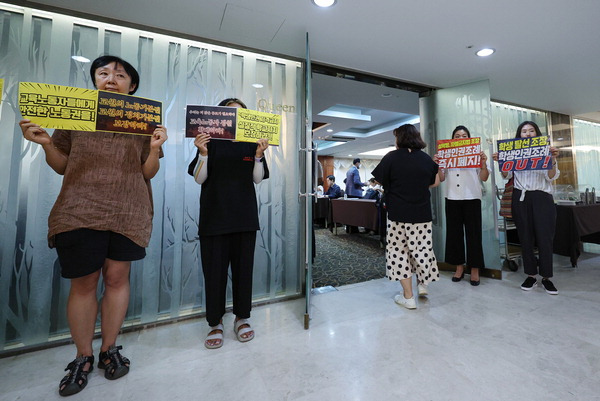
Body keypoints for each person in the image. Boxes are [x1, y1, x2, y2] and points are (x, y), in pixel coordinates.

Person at [19, 55, 168, 396]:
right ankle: (83, 356)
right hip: (78, 209)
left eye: (120, 74)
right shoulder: (76, 113)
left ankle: (109, 349)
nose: (111, 78)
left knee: (117, 279)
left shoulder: (143, 119)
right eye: (103, 73)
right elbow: (61, 165)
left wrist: (155, 149)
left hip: (128, 210)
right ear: (95, 80)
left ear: (132, 85)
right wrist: (45, 144)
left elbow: (147, 172)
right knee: (83, 284)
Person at [188, 98, 270, 349]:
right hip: (214, 218)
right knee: (214, 274)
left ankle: (242, 318)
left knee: (244, 271)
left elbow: (257, 179)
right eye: (230, 114)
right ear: (220, 117)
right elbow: (199, 179)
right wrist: (203, 153)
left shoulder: (251, 144)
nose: (236, 118)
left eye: (241, 114)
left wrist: (258, 156)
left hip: (244, 218)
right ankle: (215, 323)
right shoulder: (210, 142)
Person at [372, 124, 440, 310]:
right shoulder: (426, 159)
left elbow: (378, 179)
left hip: (398, 214)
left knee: (398, 252)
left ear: (399, 139)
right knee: (422, 251)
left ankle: (408, 297)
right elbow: (435, 182)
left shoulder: (391, 158)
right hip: (422, 214)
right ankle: (423, 285)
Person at [493, 121, 560, 294]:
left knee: (545, 238)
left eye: (531, 131)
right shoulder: (513, 152)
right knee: (525, 237)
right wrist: (502, 161)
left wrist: (552, 159)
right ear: (519, 135)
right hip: (520, 197)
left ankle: (547, 277)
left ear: (537, 134)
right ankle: (531, 275)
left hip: (542, 197)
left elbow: (551, 177)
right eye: (524, 131)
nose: (528, 134)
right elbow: (506, 174)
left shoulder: (545, 151)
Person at [436, 125, 490, 286]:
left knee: (474, 235)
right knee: (454, 234)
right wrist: (439, 165)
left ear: (469, 138)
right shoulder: (446, 155)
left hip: (472, 197)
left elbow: (484, 177)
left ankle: (474, 269)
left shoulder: (475, 155)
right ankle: (459, 267)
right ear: (452, 140)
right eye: (457, 136)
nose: (461, 138)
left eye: (464, 135)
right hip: (452, 198)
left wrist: (483, 164)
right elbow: (441, 178)